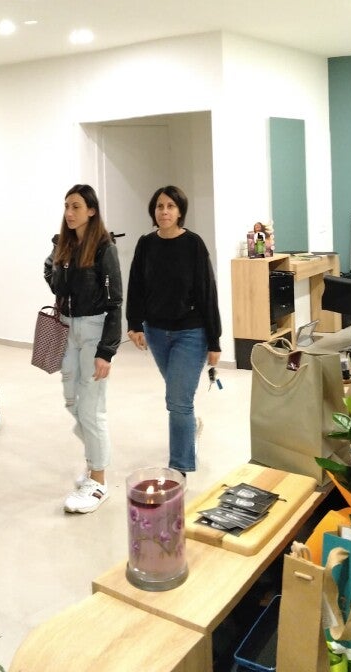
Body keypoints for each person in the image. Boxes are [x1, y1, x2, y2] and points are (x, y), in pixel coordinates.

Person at [125, 186, 220, 477]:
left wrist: (214, 341)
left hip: (191, 333)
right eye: (159, 206)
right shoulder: (146, 244)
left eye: (170, 206)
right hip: (156, 332)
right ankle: (190, 426)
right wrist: (134, 323)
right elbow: (136, 285)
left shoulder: (193, 244)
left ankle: (179, 469)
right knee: (179, 398)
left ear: (180, 211)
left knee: (177, 401)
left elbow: (207, 292)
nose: (164, 211)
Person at [45, 184, 123, 514]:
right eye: (66, 206)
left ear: (91, 210)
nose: (69, 212)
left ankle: (99, 482)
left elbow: (115, 301)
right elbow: (52, 277)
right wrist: (58, 264)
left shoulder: (104, 248)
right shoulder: (63, 245)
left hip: (93, 330)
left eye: (76, 206)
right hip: (66, 327)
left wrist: (107, 351)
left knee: (91, 409)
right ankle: (93, 464)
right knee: (71, 401)